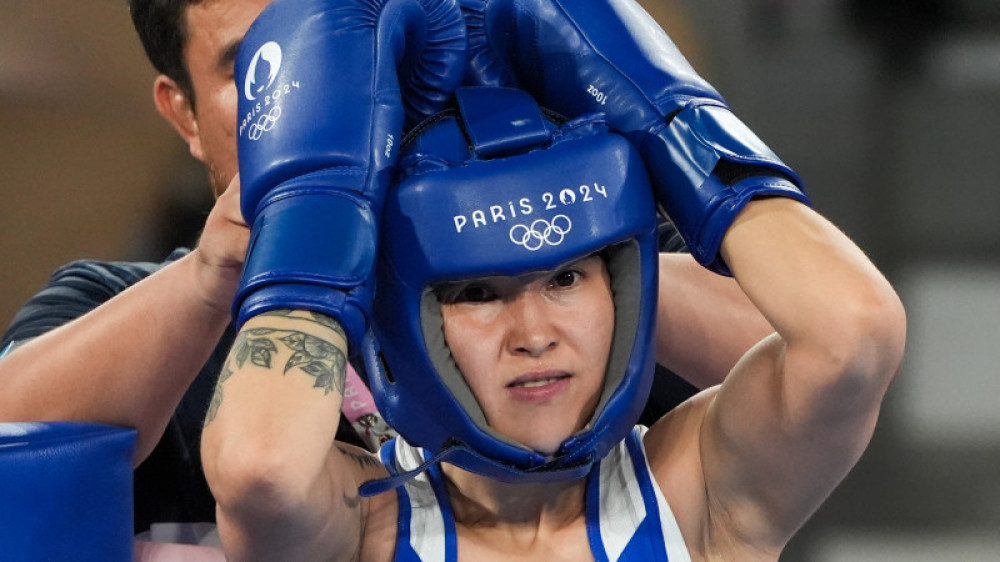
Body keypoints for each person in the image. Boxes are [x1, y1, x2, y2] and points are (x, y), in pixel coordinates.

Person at [0, 0, 767, 537]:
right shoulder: (118, 305)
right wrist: (223, 273)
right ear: (185, 116)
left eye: (351, 53)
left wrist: (530, 231)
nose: (323, 94)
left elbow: (814, 364)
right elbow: (13, 448)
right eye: (265, 66)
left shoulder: (584, 266)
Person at [202, 78, 905, 559]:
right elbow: (257, 470)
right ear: (403, 320)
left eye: (567, 278)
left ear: (624, 291)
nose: (535, 336)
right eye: (477, 294)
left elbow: (855, 334)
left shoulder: (693, 488)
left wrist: (668, 114)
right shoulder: (363, 523)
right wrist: (318, 214)